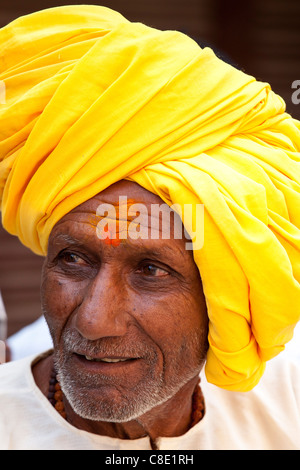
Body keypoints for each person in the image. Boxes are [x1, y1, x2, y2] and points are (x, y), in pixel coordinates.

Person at [0, 5, 299, 450]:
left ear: (226, 294)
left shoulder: (287, 402)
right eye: (73, 258)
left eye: (152, 270)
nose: (94, 320)